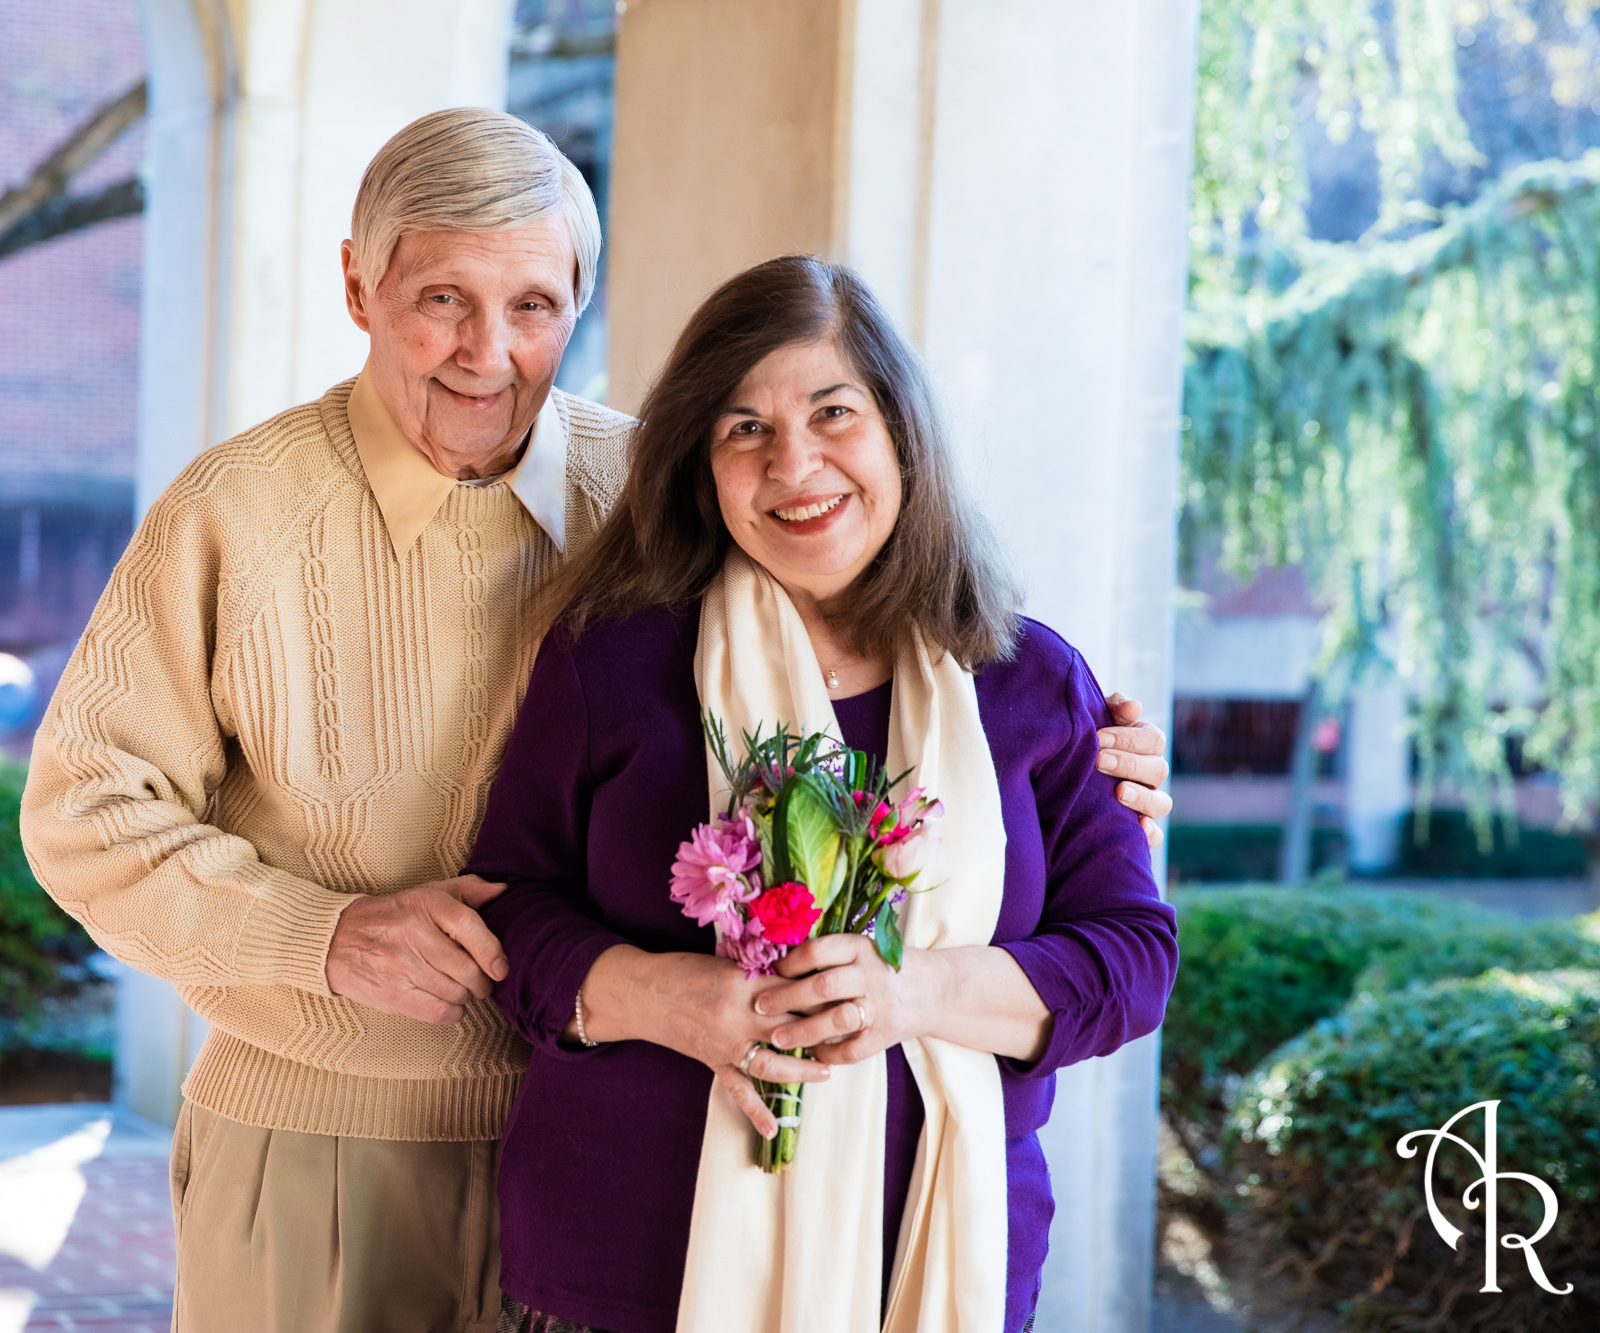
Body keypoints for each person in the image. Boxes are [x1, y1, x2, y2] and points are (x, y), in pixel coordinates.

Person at [21, 108, 1173, 1332]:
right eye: (441, 300)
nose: (486, 353)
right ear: (358, 285)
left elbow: (931, 672)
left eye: (530, 305)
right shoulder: (236, 512)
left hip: (612, 1149)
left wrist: (1097, 768)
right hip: (338, 1135)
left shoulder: (655, 484)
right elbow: (83, 812)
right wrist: (318, 933)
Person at [467, 255, 1181, 1333]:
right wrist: (666, 999)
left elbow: (1131, 960)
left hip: (934, 1264)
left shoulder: (1030, 685)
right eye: (741, 428)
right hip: (625, 1272)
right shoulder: (608, 663)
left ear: (900, 431)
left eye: (830, 412)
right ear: (700, 467)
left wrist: (910, 992)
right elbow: (508, 908)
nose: (792, 463)